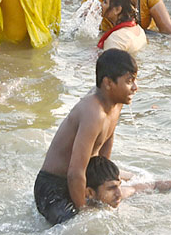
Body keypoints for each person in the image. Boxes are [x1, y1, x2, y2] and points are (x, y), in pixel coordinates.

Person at [34, 48, 138, 226]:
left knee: (137, 189)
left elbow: (105, 149)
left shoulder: (116, 102)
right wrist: (84, 211)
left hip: (82, 178)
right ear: (108, 83)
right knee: (83, 225)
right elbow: (74, 173)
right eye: (129, 81)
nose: (135, 87)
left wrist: (104, 185)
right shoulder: (93, 112)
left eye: (135, 80)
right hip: (53, 186)